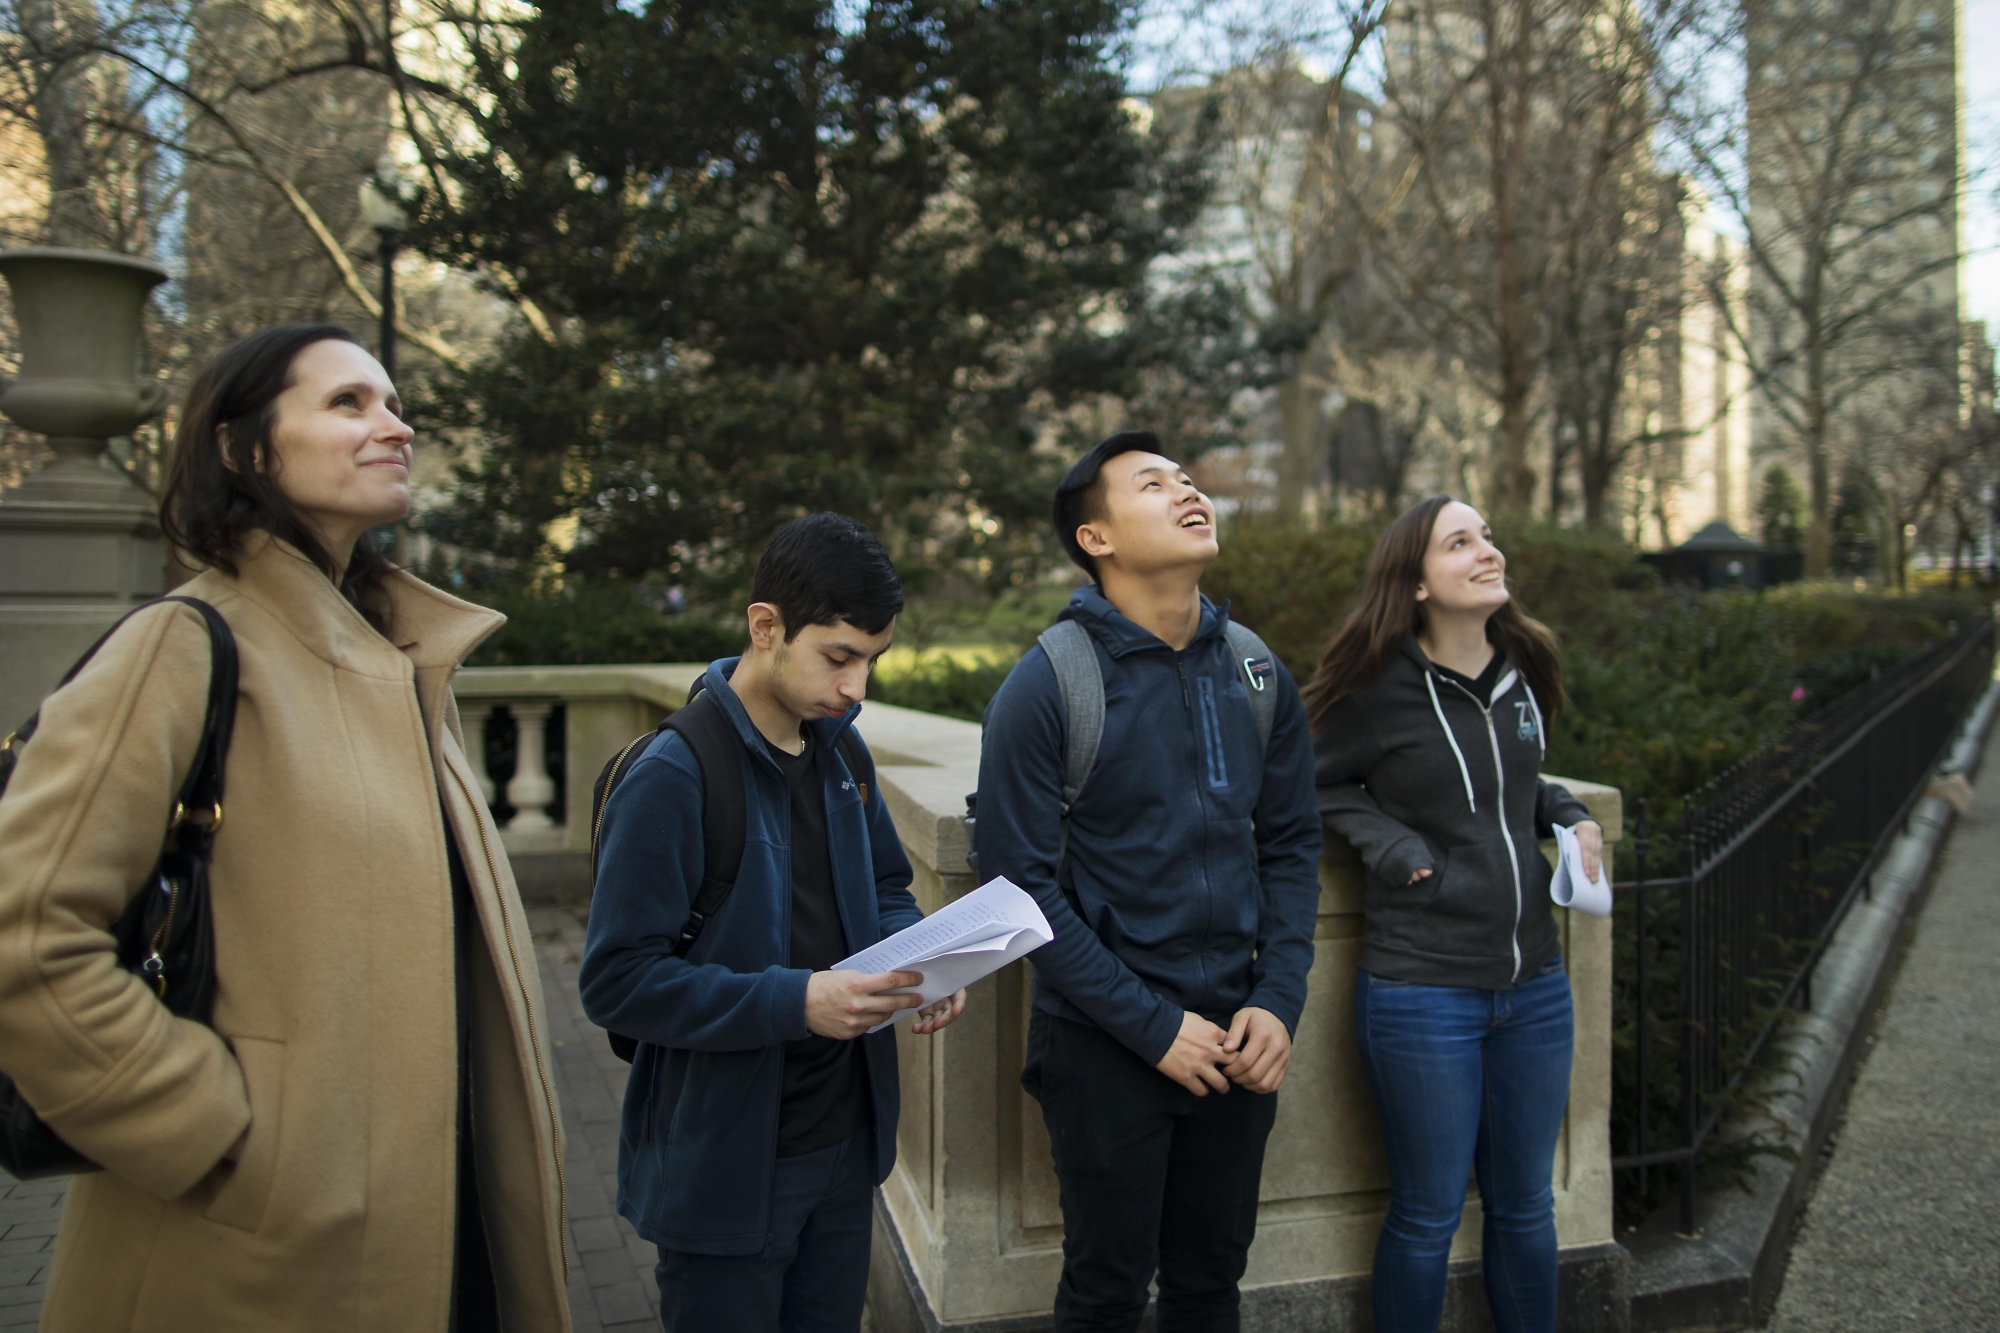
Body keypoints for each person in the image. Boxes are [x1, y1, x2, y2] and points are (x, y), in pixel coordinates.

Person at [0, 325, 570, 1330]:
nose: (391, 425)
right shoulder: (181, 646)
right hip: (256, 1262)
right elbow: (25, 934)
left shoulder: (399, 664)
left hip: (442, 1236)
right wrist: (213, 1129)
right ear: (244, 449)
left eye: (393, 405)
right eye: (348, 403)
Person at [579, 513, 967, 1333]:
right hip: (724, 1167)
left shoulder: (842, 752)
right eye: (839, 656)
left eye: (872, 660)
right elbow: (616, 982)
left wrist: (926, 967)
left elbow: (888, 888)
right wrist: (799, 1002)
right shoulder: (673, 774)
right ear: (765, 627)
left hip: (845, 1149)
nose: (857, 687)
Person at [974, 432, 1323, 1333]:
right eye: (1152, 484)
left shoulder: (1254, 668)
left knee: (1211, 1287)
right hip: (1104, 1047)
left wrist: (1279, 998)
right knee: (1106, 1291)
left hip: (1238, 1038)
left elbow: (1291, 842)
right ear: (1096, 538)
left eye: (1189, 479)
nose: (1187, 491)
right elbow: (1020, 890)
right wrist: (1151, 1024)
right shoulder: (1049, 683)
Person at [1307, 495, 1604, 1333]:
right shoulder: (1376, 691)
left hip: (1535, 985)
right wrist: (1387, 839)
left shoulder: (1524, 665)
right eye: (1461, 541)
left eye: (1488, 536)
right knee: (1429, 1213)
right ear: (1419, 582)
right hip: (1422, 990)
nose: (1489, 551)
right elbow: (1303, 780)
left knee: (1525, 1206)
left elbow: (1514, 777)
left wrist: (1570, 810)